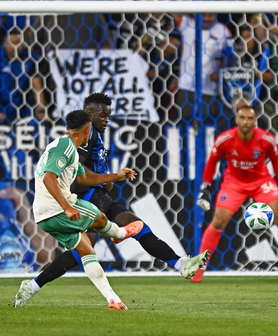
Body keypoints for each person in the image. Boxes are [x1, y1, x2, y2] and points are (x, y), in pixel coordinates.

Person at [14, 93, 210, 307]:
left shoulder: (93, 135)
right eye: (103, 115)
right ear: (90, 115)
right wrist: (90, 188)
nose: (107, 119)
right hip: (87, 198)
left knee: (96, 245)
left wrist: (111, 177)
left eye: (109, 115)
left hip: (98, 195)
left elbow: (80, 171)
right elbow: (74, 169)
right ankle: (119, 236)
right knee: (89, 249)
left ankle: (179, 263)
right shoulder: (82, 140)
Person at [14, 110, 141, 310]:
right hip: (57, 209)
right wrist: (66, 207)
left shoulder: (68, 149)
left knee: (86, 250)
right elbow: (49, 177)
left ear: (67, 127)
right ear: (88, 130)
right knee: (99, 216)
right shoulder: (65, 147)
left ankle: (112, 299)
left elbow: (83, 178)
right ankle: (121, 233)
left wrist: (115, 176)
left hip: (43, 216)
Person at [191, 98, 278, 283]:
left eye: (250, 118)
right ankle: (200, 268)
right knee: (218, 220)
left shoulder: (265, 139)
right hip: (234, 183)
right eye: (242, 117)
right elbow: (211, 163)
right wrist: (206, 189)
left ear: (255, 120)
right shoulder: (225, 139)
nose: (246, 122)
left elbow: (276, 161)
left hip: (261, 181)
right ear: (236, 119)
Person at [176, 13, 233, 132]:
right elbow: (172, 11)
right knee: (186, 125)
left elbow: (229, 56)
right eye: (204, 15)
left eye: (210, 15)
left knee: (208, 126)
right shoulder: (186, 23)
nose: (207, 19)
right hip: (186, 87)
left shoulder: (223, 30)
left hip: (209, 89)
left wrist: (219, 72)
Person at [0, 27, 46, 124]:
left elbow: (37, 84)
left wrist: (41, 110)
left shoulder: (30, 58)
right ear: (4, 44)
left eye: (18, 42)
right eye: (11, 43)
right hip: (3, 110)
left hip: (26, 111)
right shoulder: (1, 60)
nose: (15, 46)